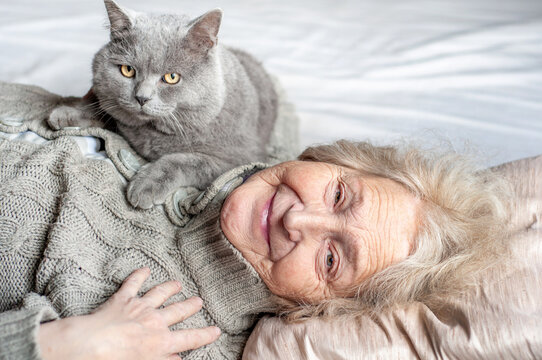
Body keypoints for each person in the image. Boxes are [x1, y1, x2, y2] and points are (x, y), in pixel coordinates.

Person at [0, 118, 508, 359]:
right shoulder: (207, 156)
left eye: (331, 259)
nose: (299, 222)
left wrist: (51, 346)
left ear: (323, 311)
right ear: (325, 158)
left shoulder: (170, 338)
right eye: (337, 195)